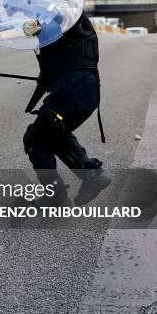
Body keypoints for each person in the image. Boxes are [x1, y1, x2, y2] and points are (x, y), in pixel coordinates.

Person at [22, 11, 110, 205]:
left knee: (36, 140)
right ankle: (91, 177)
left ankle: (57, 197)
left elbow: (51, 61)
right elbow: (56, 65)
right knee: (55, 133)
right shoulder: (70, 18)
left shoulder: (54, 19)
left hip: (72, 92)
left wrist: (39, 31)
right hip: (82, 91)